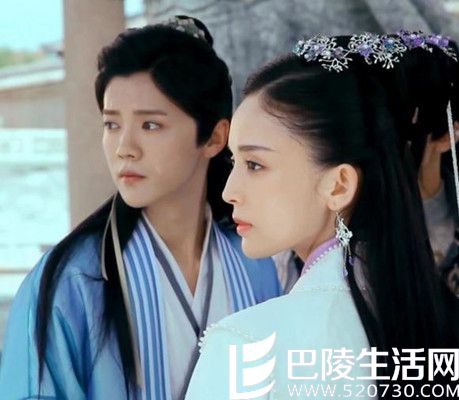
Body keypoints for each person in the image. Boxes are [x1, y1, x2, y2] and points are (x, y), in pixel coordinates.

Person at [0, 16, 281, 400]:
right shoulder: (72, 282)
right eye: (112, 125)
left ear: (215, 137)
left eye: (150, 125)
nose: (124, 148)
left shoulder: (256, 263)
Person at [186, 31, 459, 399]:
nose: (228, 191)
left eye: (255, 164)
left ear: (338, 185)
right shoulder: (437, 322)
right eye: (234, 162)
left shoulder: (246, 348)